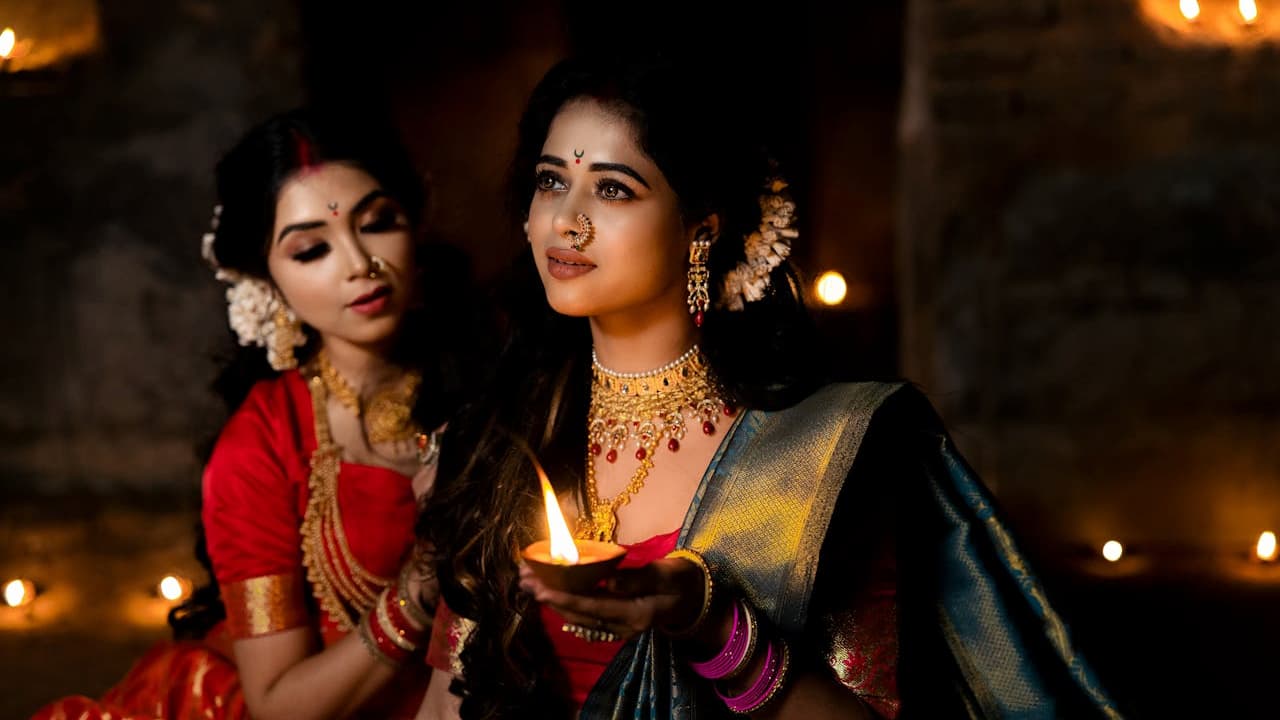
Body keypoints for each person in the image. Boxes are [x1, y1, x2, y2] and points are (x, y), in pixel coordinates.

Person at [414, 55, 1123, 719]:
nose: (566, 220)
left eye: (612, 188)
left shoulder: (818, 450)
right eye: (550, 180)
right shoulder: (501, 433)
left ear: (702, 229)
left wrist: (713, 627)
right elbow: (449, 700)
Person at [34, 107, 480, 720]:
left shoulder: (490, 386)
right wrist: (421, 582)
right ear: (265, 279)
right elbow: (278, 706)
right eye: (311, 249)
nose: (359, 264)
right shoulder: (260, 448)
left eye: (377, 223)